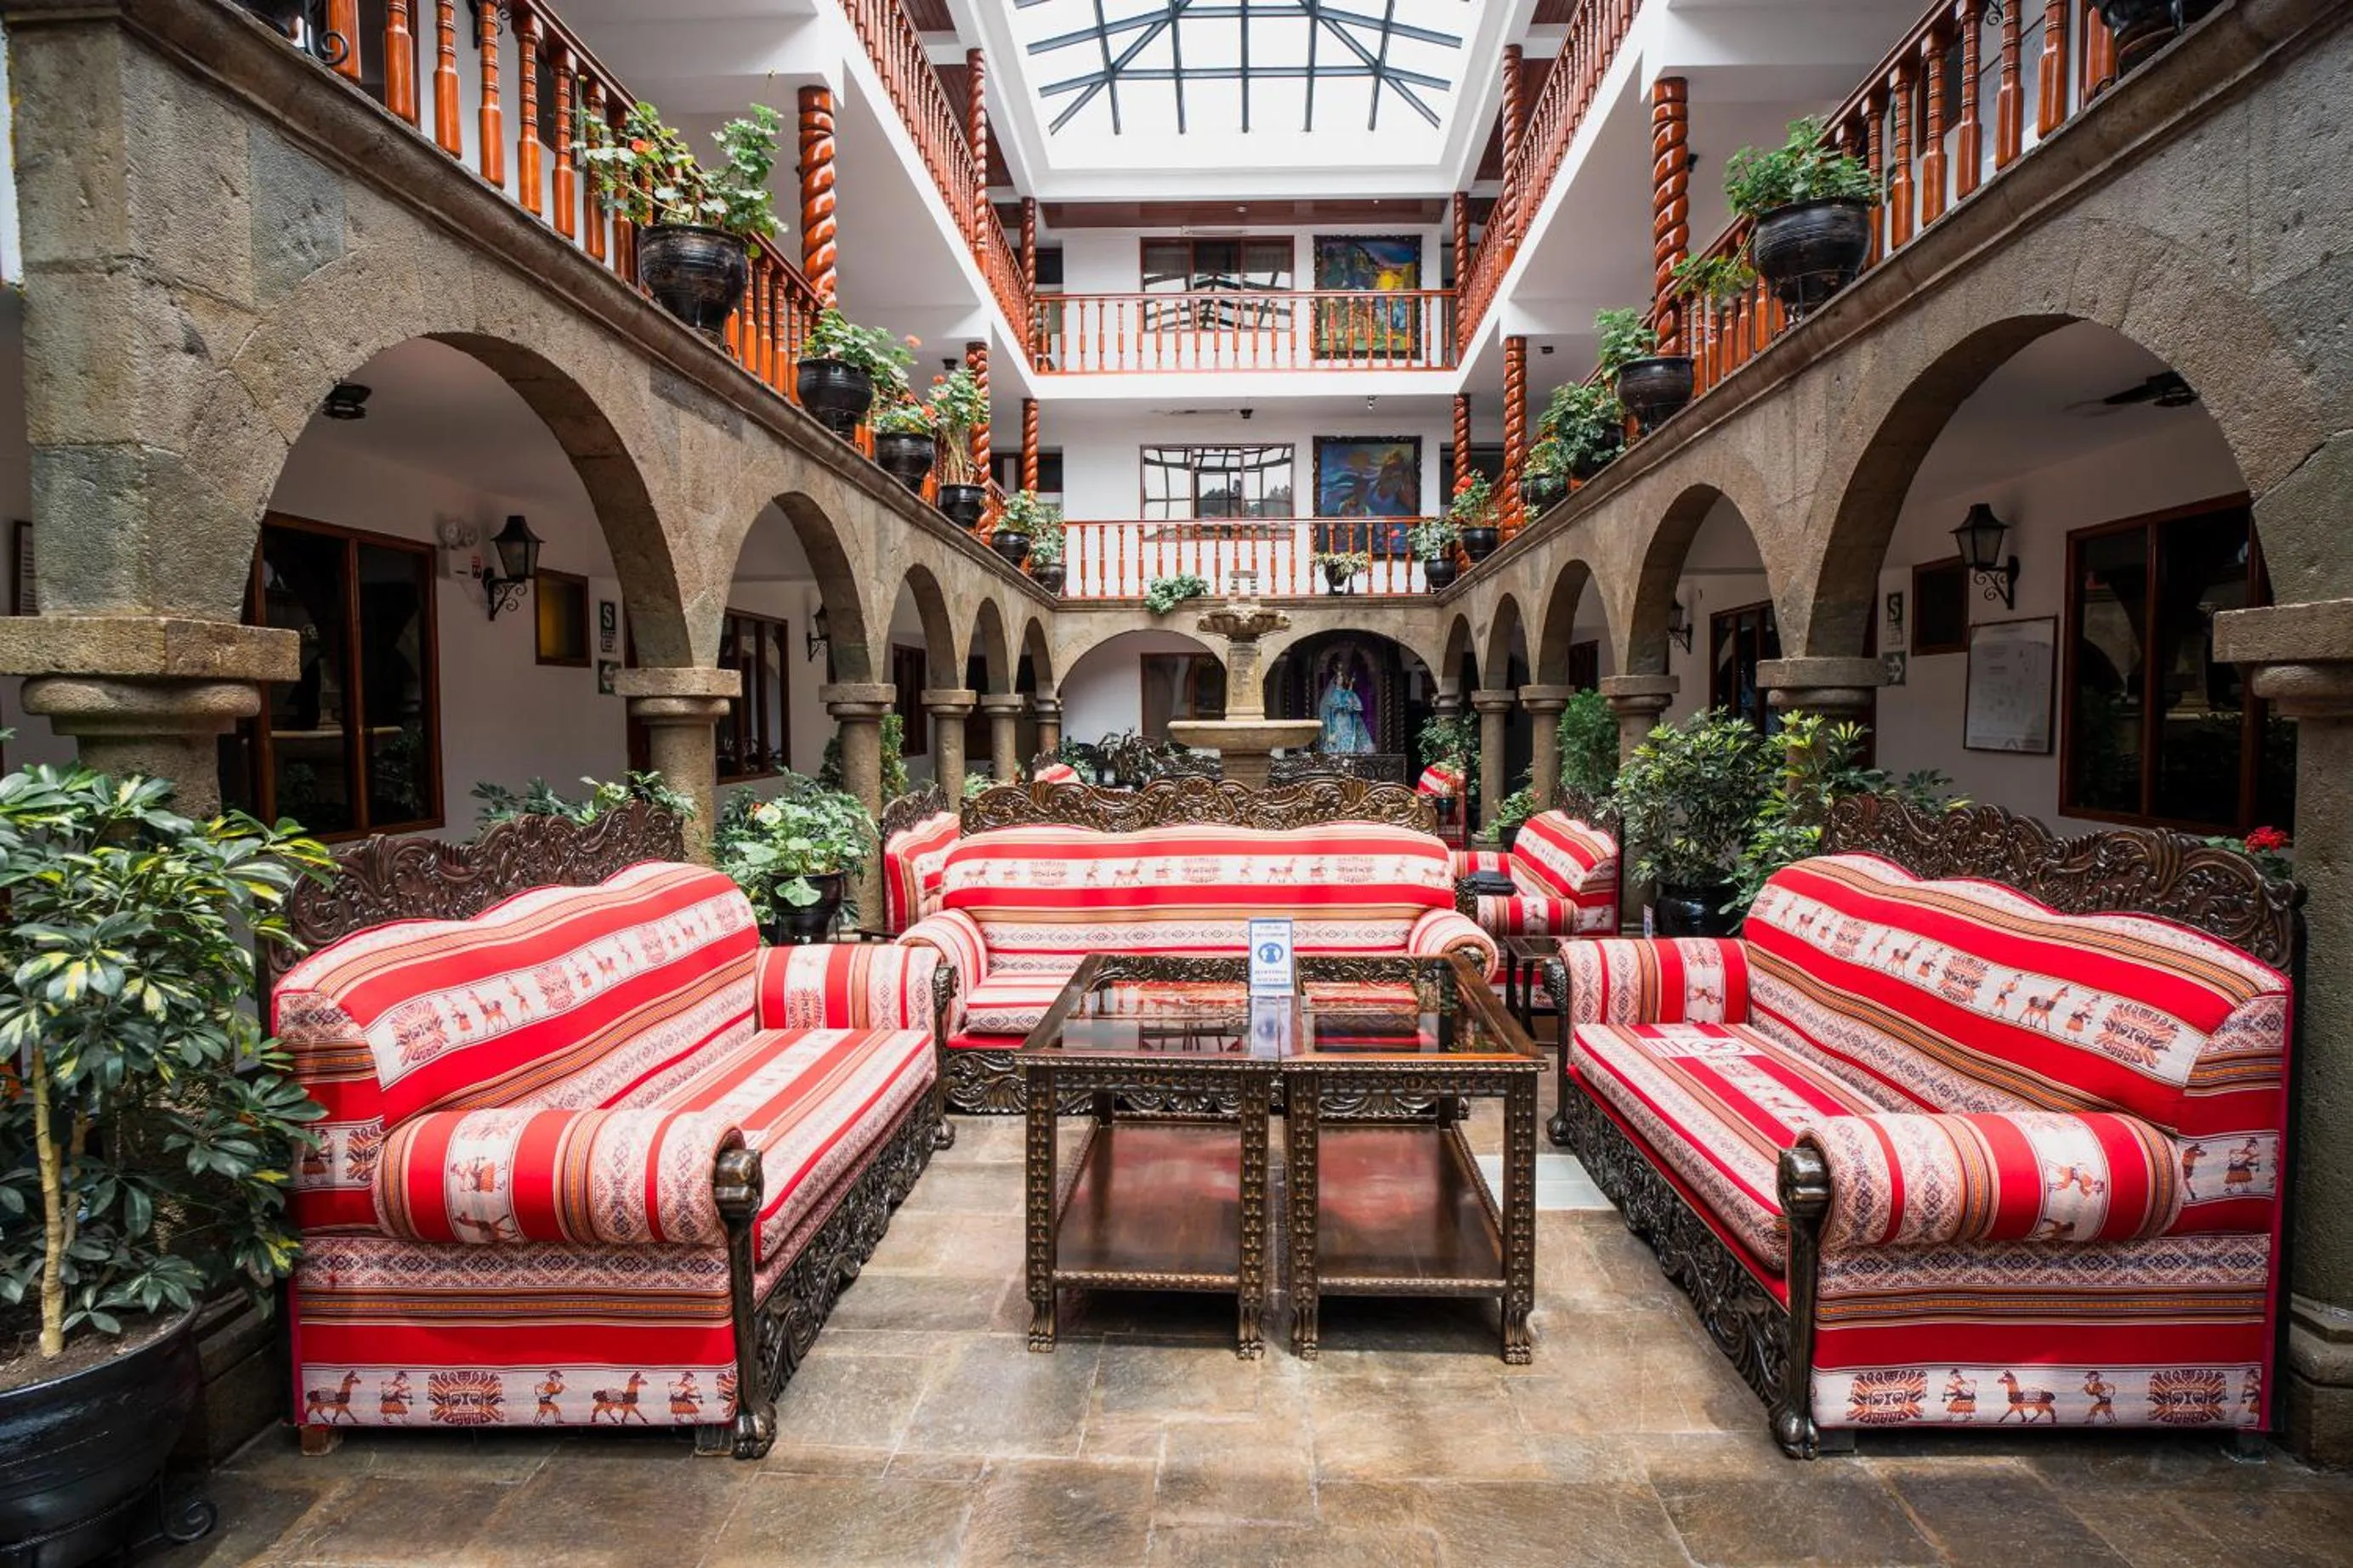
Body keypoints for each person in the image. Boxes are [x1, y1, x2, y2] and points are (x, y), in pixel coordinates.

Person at [1318, 660, 1375, 753]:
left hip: (1347, 719)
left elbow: (1350, 703)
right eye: (1338, 679)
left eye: (1341, 679)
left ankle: (1348, 753)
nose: (1340, 680)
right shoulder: (1334, 693)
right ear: (1335, 681)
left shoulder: (1346, 692)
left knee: (1348, 736)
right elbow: (1333, 708)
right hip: (1338, 719)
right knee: (1339, 736)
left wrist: (1350, 689)